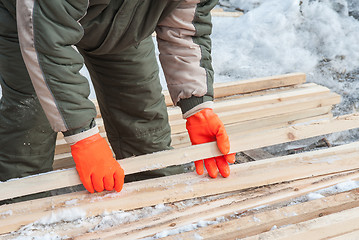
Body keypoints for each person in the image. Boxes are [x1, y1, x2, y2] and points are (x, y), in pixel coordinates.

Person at [0, 0, 235, 194]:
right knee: (30, 123)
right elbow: (48, 41)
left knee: (143, 126)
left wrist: (197, 107)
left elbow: (186, 23)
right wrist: (84, 138)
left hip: (122, 20)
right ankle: (20, 211)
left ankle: (155, 208)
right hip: (33, 19)